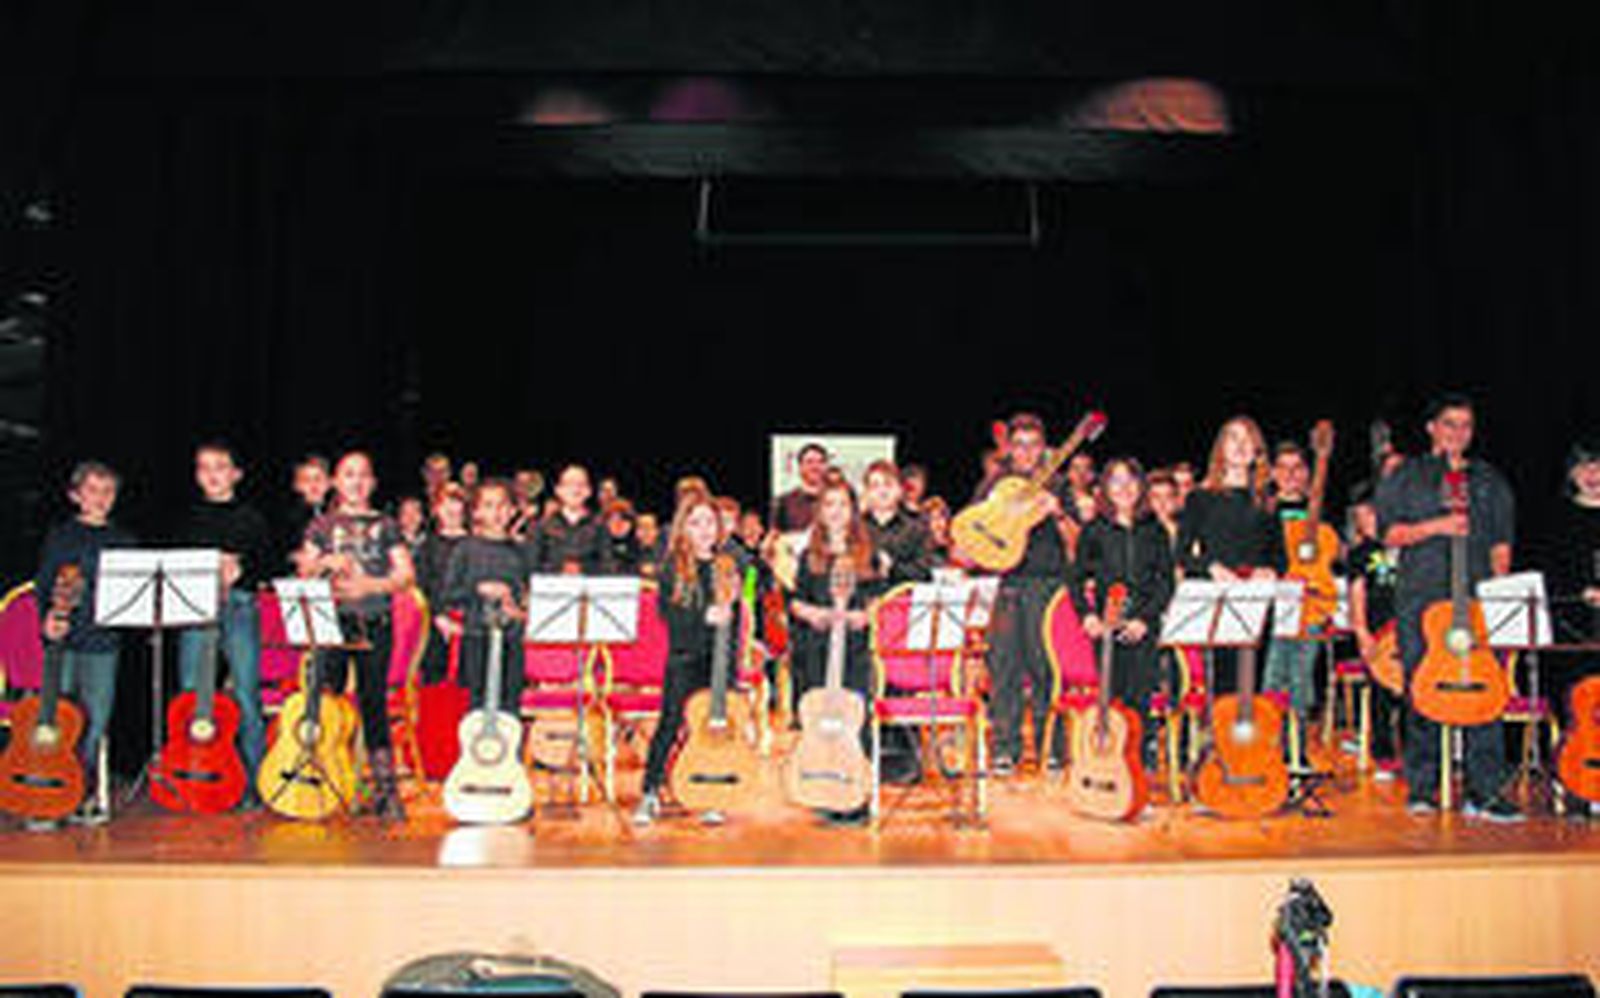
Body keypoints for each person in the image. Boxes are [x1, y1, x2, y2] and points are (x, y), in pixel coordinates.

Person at [1374, 394, 1520, 821]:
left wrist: (1496, 594)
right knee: (1423, 689)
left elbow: (1501, 544)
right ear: (1432, 428)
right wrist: (1438, 526)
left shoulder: (1490, 480)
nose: (1458, 433)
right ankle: (1423, 787)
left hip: (1476, 601)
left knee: (1484, 692)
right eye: (1450, 424)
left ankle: (1485, 791)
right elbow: (1389, 534)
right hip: (1421, 599)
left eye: (1466, 426)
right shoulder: (1407, 476)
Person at [298, 451, 416, 821]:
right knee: (325, 700)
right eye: (349, 475)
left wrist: (371, 584)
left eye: (363, 475)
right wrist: (322, 565)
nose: (356, 481)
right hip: (332, 622)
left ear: (373, 483)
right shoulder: (321, 526)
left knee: (373, 701)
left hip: (374, 620)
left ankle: (384, 790)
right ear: (336, 481)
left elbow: (406, 575)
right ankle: (327, 777)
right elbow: (304, 572)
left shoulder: (387, 524)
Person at [173, 441, 273, 807]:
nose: (213, 474)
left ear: (235, 474)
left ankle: (254, 785)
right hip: (196, 611)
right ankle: (191, 775)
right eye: (204, 468)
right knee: (190, 696)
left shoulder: (252, 518)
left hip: (240, 608)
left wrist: (240, 568)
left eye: (220, 467)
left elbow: (268, 566)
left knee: (247, 694)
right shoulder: (187, 518)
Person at [35, 460, 135, 825]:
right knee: (58, 717)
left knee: (94, 720)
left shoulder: (123, 541)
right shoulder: (61, 536)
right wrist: (48, 617)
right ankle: (47, 793)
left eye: (108, 491)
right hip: (64, 639)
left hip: (102, 642)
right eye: (92, 490)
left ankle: (80, 793)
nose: (100, 498)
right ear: (75, 495)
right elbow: (45, 584)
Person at [632, 493, 741, 827]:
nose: (704, 529)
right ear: (683, 528)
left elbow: (731, 620)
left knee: (712, 730)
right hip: (684, 658)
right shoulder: (671, 569)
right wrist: (703, 615)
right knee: (669, 725)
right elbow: (670, 616)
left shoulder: (727, 565)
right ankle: (650, 791)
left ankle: (710, 794)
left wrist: (731, 610)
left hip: (718, 662)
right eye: (696, 523)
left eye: (710, 521)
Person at [976, 413, 1073, 774]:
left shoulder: (1059, 485)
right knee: (1003, 667)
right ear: (1009, 449)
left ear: (1044, 449)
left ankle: (1052, 749)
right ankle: (1005, 748)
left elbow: (1079, 546)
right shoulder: (993, 485)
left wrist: (1058, 513)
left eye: (1034, 445)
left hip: (1047, 585)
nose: (1027, 452)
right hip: (1007, 584)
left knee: (1048, 668)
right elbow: (972, 532)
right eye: (1019, 445)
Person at [1069, 458, 1175, 769]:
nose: (1124, 488)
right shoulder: (1094, 530)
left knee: (1140, 701)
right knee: (1111, 702)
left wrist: (1146, 618)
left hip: (1143, 628)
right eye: (1115, 481)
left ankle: (1138, 768)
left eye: (1130, 480)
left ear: (1141, 486)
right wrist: (1087, 616)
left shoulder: (1154, 530)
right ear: (1103, 488)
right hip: (1106, 627)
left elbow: (1165, 582)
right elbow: (1075, 579)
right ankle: (1109, 768)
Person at [788, 478, 880, 824]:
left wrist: (863, 616)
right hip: (818, 648)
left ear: (853, 511)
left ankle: (857, 792)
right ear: (820, 511)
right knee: (821, 722)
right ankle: (822, 785)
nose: (836, 512)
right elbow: (795, 602)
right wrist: (814, 614)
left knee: (855, 719)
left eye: (843, 504)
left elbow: (879, 602)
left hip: (854, 649)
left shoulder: (868, 554)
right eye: (829, 505)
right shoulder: (809, 555)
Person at [1175, 417, 1285, 698]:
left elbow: (1279, 557)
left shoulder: (1267, 499)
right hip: (1220, 598)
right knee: (1225, 686)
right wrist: (1211, 567)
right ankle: (1223, 740)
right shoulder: (1199, 498)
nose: (1240, 445)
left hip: (1258, 599)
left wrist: (1270, 571)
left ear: (1257, 451)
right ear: (1220, 448)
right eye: (1232, 438)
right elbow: (1181, 553)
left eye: (1248, 439)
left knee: (1253, 684)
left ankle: (1247, 742)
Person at [1262, 440, 1330, 762]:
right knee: (1271, 681)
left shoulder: (1320, 513)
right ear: (1272, 472)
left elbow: (1328, 556)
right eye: (1283, 467)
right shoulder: (1262, 511)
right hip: (1270, 609)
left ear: (1307, 473)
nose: (1290, 475)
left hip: (1310, 609)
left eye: (1297, 467)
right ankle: (1267, 752)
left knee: (1301, 681)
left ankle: (1297, 751)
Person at [437, 480, 529, 712]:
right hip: (476, 636)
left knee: (510, 707)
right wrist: (478, 589)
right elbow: (448, 594)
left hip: (512, 640)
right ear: (476, 511)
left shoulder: (522, 551)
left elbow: (528, 596)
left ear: (512, 511)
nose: (496, 512)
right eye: (488, 505)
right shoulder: (465, 549)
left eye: (502, 506)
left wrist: (518, 610)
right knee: (477, 707)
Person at [1346, 481, 1403, 776]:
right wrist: (1362, 632)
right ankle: (1382, 752)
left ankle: (1414, 752)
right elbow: (1357, 594)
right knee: (1381, 692)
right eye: (1359, 517)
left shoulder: (1408, 544)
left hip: (1408, 630)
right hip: (1377, 634)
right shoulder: (1360, 554)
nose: (1364, 522)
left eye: (1369, 514)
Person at [416, 484, 469, 683]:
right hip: (434, 625)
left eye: (456, 502)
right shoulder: (427, 546)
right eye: (445, 503)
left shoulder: (476, 544)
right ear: (436, 509)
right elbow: (421, 587)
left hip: (469, 625)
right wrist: (439, 617)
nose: (451, 509)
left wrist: (463, 623)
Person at [525, 464, 614, 575]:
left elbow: (607, 565)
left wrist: (583, 568)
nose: (576, 489)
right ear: (558, 490)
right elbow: (531, 566)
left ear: (589, 491)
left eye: (581, 484)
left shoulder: (600, 527)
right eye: (569, 484)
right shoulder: (541, 526)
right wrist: (559, 568)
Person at [862, 460, 932, 586]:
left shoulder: (916, 528)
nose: (882, 491)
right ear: (867, 492)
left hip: (901, 600)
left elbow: (924, 571)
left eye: (888, 484)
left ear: (900, 490)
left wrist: (893, 568)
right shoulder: (856, 527)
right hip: (861, 601)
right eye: (875, 486)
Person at [283, 454, 330, 570]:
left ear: (330, 482)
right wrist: (295, 557)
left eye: (318, 479)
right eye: (306, 480)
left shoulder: (339, 511)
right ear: (296, 485)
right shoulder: (287, 519)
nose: (313, 485)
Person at [771, 442, 829, 533]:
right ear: (800, 467)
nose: (815, 466)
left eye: (821, 462)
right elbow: (773, 538)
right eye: (809, 462)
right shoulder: (783, 502)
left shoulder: (839, 501)